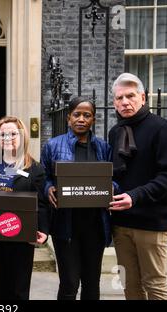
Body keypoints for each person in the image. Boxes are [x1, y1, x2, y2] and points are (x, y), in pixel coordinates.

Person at [108, 73, 167, 300]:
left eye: (130, 96)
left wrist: (136, 196)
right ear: (114, 103)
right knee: (130, 285)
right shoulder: (115, 132)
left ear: (143, 97)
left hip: (151, 222)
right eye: (120, 98)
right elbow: (113, 172)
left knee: (155, 284)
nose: (125, 102)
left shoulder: (162, 129)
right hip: (121, 222)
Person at [40, 96, 112, 300]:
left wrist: (111, 189)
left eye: (87, 115)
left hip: (95, 225)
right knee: (69, 283)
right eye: (77, 114)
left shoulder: (103, 147)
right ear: (68, 118)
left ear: (93, 119)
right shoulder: (53, 145)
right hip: (66, 226)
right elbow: (43, 177)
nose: (81, 119)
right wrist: (48, 188)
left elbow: (113, 178)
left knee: (92, 283)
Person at [0, 116, 49, 300]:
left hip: (21, 237)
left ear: (22, 137)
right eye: (2, 134)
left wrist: (43, 229)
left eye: (13, 133)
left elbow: (41, 203)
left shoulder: (34, 169)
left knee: (19, 290)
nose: (7, 138)